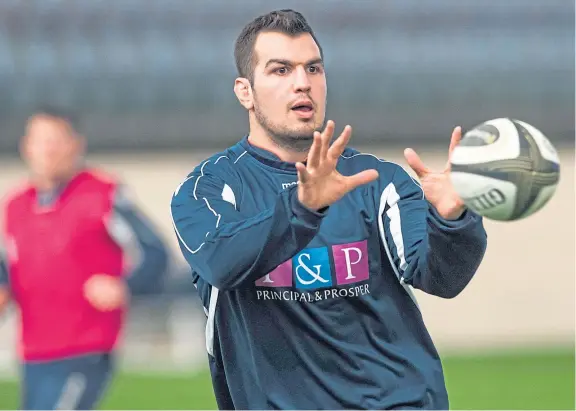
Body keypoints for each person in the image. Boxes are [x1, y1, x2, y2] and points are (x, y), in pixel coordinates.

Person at [170, 9, 488, 410]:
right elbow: (221, 262)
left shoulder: (377, 179)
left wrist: (452, 220)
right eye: (280, 70)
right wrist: (303, 208)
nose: (302, 83)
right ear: (245, 91)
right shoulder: (208, 189)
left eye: (313, 69)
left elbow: (441, 278)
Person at [0, 106, 169, 410]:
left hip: (85, 346)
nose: (48, 150)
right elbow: (8, 268)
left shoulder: (103, 194)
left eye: (56, 140)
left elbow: (155, 250)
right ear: (26, 147)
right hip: (33, 350)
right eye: (40, 140)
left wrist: (124, 286)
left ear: (76, 145)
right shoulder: (14, 206)